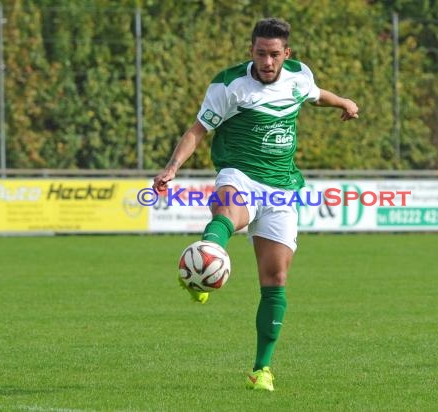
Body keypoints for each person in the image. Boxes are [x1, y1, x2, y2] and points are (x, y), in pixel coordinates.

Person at [152, 17, 358, 392]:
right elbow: (199, 129)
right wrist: (172, 167)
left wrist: (343, 102)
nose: (267, 61)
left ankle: (261, 370)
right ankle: (203, 263)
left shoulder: (298, 75)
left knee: (276, 280)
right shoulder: (229, 84)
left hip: (281, 189)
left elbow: (316, 93)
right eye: (261, 53)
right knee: (228, 213)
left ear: (286, 54)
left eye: (274, 54)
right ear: (251, 51)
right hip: (240, 174)